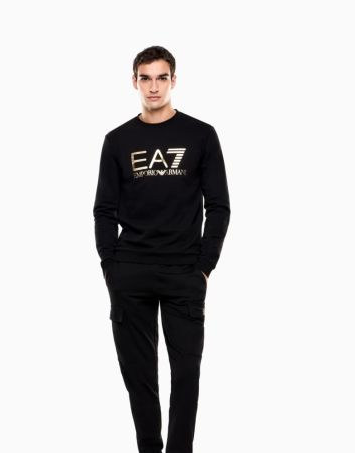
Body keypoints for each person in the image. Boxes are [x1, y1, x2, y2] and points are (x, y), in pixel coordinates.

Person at [93, 45, 231, 453]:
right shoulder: (117, 141)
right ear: (134, 82)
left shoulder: (200, 135)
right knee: (140, 377)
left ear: (174, 80)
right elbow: (103, 209)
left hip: (184, 273)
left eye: (161, 78)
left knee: (186, 375)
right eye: (146, 78)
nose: (153, 87)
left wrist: (204, 266)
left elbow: (219, 206)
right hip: (130, 271)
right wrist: (110, 266)